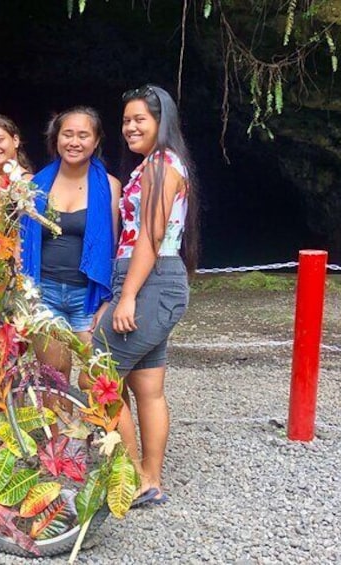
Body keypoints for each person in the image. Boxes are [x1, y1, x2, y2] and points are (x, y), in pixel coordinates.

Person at [93, 85, 200, 507]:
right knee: (147, 386)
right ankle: (149, 479)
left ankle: (133, 475)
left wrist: (127, 296)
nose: (130, 127)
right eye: (126, 120)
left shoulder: (161, 166)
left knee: (96, 375)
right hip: (148, 279)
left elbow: (151, 237)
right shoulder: (152, 165)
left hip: (151, 280)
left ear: (162, 122)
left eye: (140, 119)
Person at [20, 107, 121, 386]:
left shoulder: (110, 186)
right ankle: (60, 431)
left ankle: (103, 431)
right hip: (45, 293)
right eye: (67, 134)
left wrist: (109, 300)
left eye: (83, 135)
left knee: (98, 379)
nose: (74, 142)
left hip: (87, 297)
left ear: (97, 140)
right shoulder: (36, 185)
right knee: (54, 376)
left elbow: (113, 247)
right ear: (56, 138)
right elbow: (22, 242)